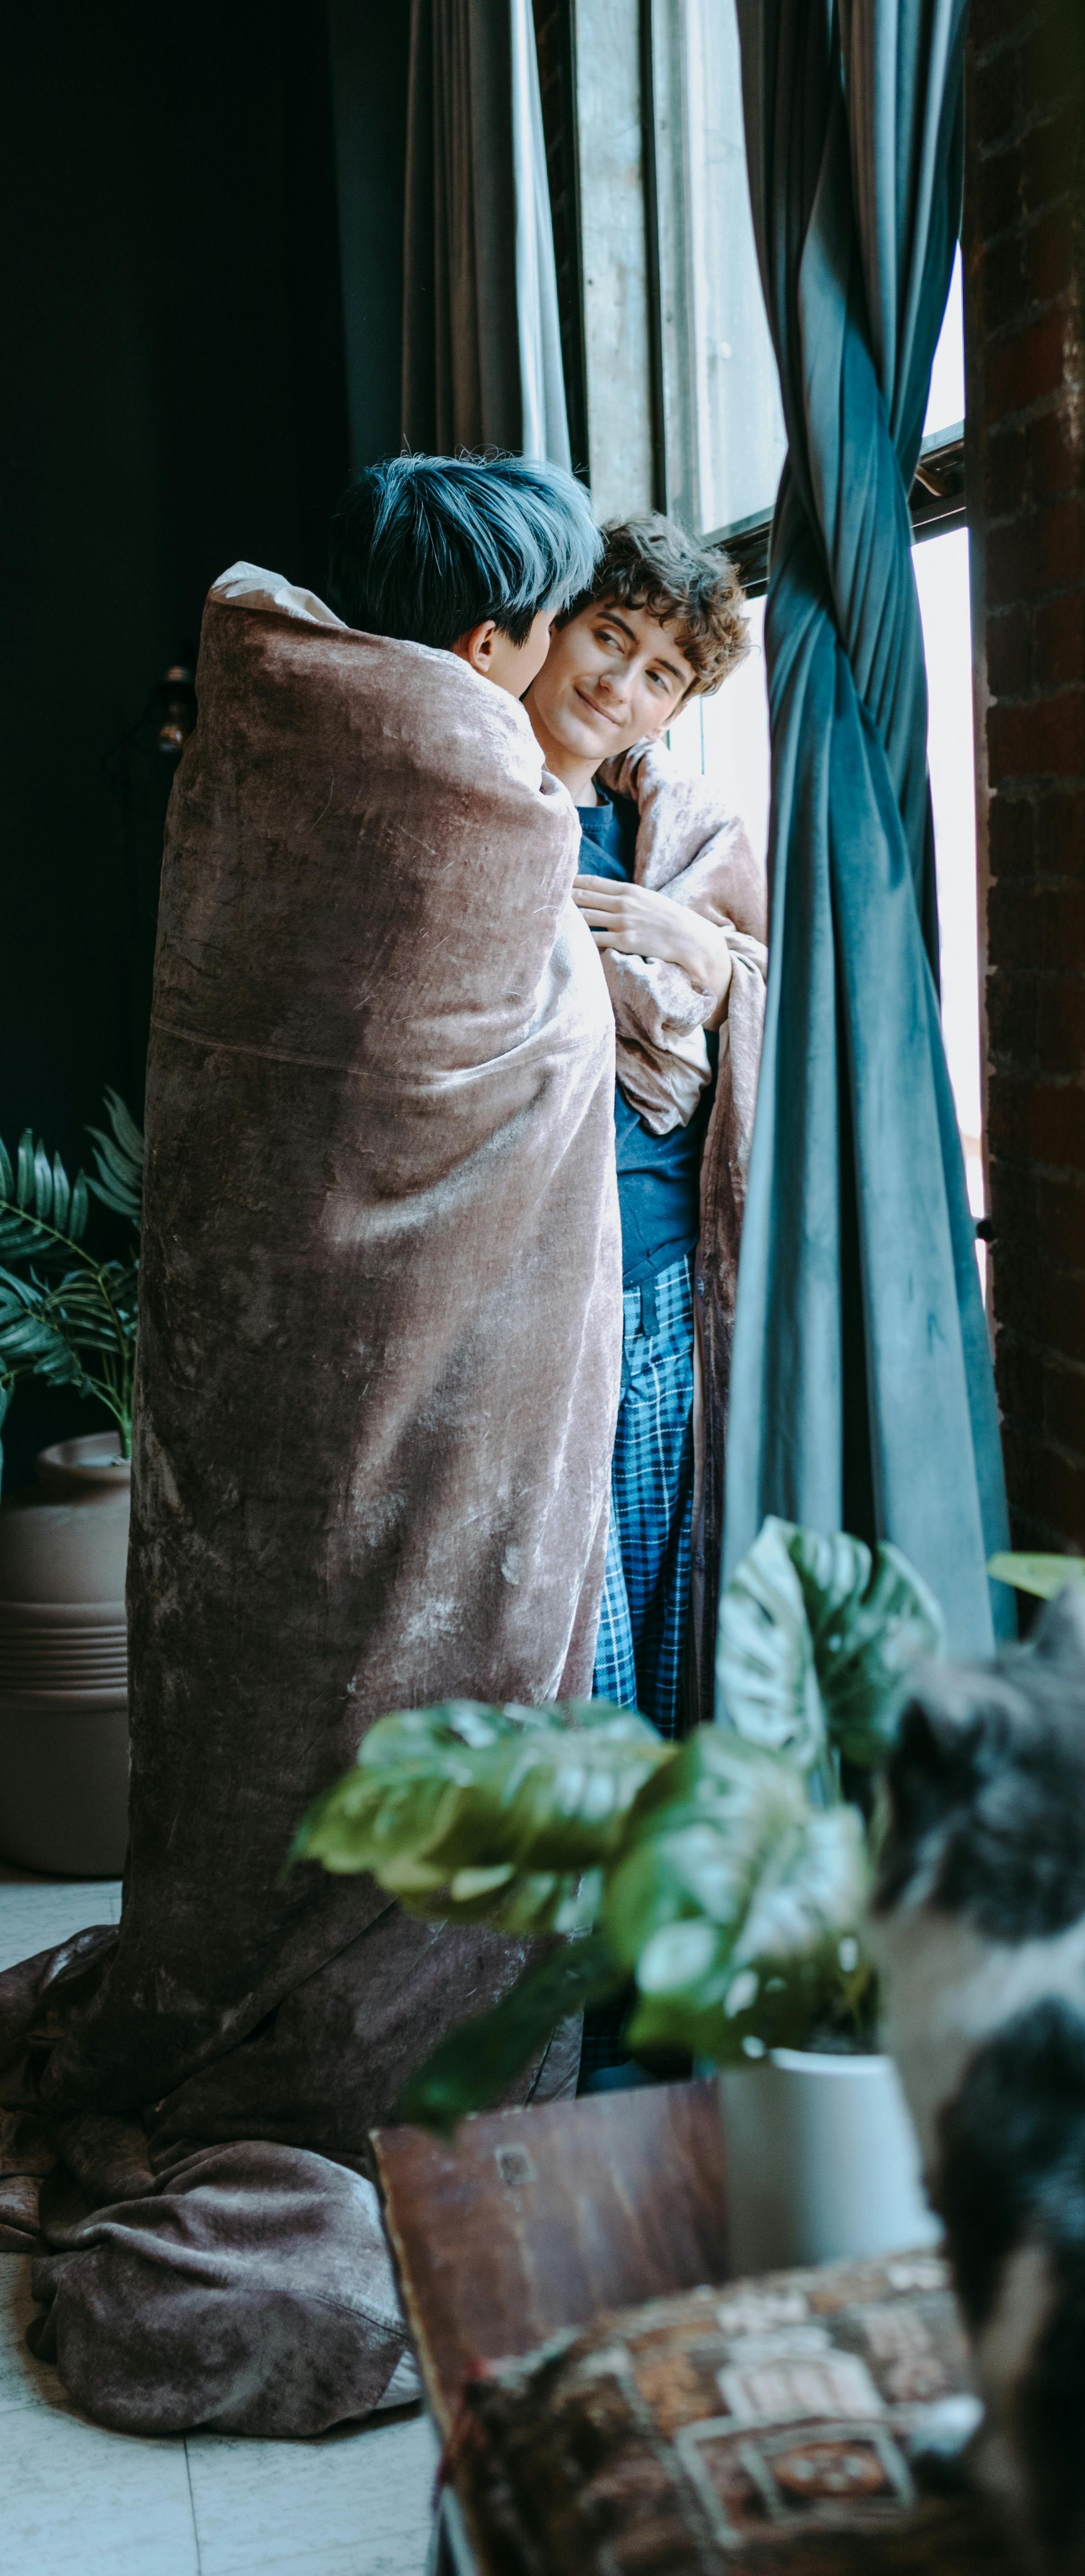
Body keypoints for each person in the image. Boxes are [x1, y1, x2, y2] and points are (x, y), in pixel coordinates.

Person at [0, 453, 623, 2439]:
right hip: (417, 1396)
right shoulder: (460, 792)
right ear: (488, 642)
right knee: (411, 1674)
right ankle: (360, 2067)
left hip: (244, 1389)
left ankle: (222, 1980)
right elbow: (542, 1015)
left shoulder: (259, 745)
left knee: (263, 1692)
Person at [522, 514, 765, 1755]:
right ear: (550, 627)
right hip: (534, 1279)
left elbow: (782, 1004)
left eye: (660, 671)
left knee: (668, 1595)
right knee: (563, 1614)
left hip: (667, 1270)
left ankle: (653, 1914)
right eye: (607, 637)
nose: (620, 683)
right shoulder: (472, 806)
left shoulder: (690, 834)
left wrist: (714, 965)